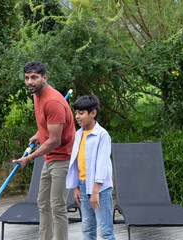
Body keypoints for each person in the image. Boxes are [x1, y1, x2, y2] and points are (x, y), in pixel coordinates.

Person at [12, 61, 76, 240]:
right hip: (50, 158)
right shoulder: (36, 95)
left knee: (57, 206)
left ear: (44, 78)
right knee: (43, 203)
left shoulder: (53, 101)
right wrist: (39, 134)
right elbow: (48, 126)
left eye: (34, 77)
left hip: (63, 158)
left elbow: (55, 140)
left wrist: (29, 158)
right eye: (26, 78)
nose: (29, 82)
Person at [66, 95, 115, 240]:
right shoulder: (78, 134)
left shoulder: (102, 135)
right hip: (82, 186)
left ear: (93, 113)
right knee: (87, 229)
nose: (77, 116)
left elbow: (102, 165)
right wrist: (75, 187)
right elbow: (74, 163)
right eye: (76, 113)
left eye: (81, 113)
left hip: (99, 190)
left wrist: (95, 192)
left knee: (105, 231)